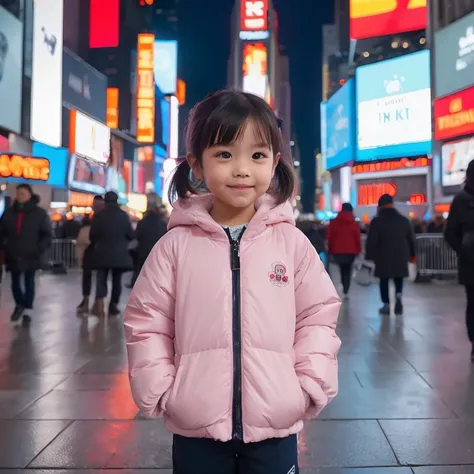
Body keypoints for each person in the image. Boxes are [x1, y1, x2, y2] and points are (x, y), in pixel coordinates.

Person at [124, 90, 341, 474]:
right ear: (196, 164)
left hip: (276, 422)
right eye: (224, 154)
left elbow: (318, 316)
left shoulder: (291, 244)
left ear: (274, 163)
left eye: (257, 155)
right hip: (197, 426)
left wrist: (308, 383)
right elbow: (146, 320)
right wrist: (161, 389)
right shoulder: (175, 246)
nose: (242, 169)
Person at [0, 184, 52, 323]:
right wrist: (5, 245)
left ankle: (27, 307)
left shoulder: (39, 214)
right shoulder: (9, 213)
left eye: (22, 193)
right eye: (17, 194)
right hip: (13, 253)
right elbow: (2, 232)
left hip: (31, 253)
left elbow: (47, 235)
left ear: (29, 194)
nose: (19, 196)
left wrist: (39, 248)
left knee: (29, 281)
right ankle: (19, 304)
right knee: (15, 281)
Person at [366, 194, 416, 315]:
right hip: (400, 255)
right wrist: (413, 255)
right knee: (398, 278)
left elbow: (372, 240)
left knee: (384, 281)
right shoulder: (404, 220)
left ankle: (386, 305)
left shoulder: (376, 221)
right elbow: (411, 239)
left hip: (382, 256)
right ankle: (398, 296)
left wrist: (369, 256)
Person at [444, 159, 474, 361]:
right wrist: (464, 250)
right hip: (470, 263)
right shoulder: (462, 200)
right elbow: (450, 233)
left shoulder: (460, 200)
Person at [90, 191, 133, 317]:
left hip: (101, 253)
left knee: (101, 278)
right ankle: (113, 306)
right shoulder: (124, 216)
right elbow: (130, 234)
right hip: (119, 254)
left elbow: (92, 236)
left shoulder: (98, 216)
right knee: (116, 280)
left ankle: (100, 304)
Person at [76, 195, 105, 313]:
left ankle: (96, 302)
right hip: (92, 251)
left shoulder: (101, 219)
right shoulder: (91, 218)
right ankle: (89, 300)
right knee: (90, 276)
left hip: (99, 251)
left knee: (98, 276)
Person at [327, 203, 361, 297]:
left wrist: (330, 249)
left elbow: (330, 237)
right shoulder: (354, 223)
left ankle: (344, 284)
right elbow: (357, 238)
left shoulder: (334, 222)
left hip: (337, 251)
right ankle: (346, 287)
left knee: (342, 269)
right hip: (351, 251)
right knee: (348, 269)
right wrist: (358, 250)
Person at [130, 203, 168, 286]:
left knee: (141, 270)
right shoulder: (163, 224)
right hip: (158, 252)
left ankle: (136, 284)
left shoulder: (142, 223)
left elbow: (136, 236)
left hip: (143, 251)